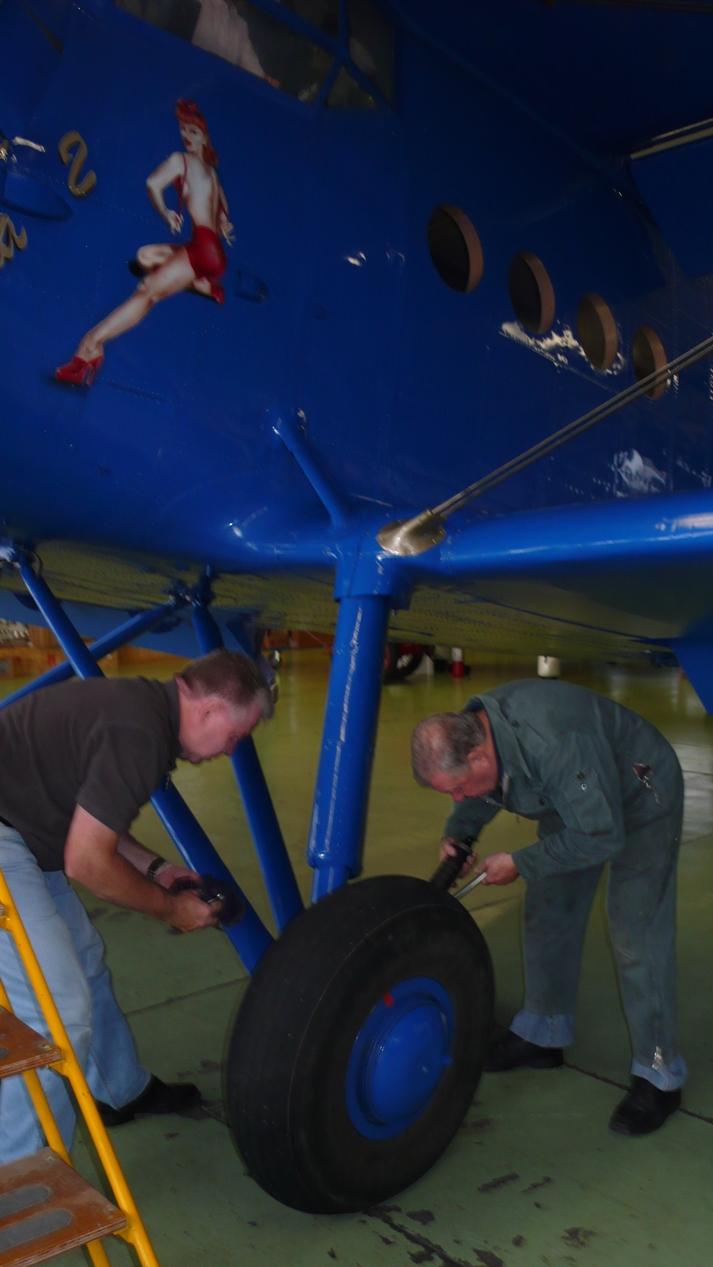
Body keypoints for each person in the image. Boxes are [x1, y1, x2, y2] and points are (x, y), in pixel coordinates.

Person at [0, 648, 271, 1164]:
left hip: (25, 833)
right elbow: (87, 862)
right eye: (236, 735)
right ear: (210, 710)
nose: (232, 749)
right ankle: (19, 1174)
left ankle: (119, 1090)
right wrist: (172, 910)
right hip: (8, 839)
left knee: (86, 963)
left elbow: (92, 814)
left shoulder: (145, 712)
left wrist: (157, 870)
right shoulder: (140, 732)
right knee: (56, 1011)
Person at [412, 678, 685, 1137]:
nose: (458, 797)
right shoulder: (475, 729)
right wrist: (460, 832)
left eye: (457, 789)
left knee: (636, 930)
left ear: (477, 758)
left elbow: (600, 835)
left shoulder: (553, 744)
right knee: (548, 909)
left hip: (641, 790)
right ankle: (543, 1033)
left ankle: (660, 1077)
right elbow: (487, 791)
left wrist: (521, 862)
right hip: (573, 796)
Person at [55, 99, 234, 387]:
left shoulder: (181, 160)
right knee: (147, 256)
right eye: (183, 129)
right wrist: (222, 224)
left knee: (146, 291)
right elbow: (222, 209)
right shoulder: (211, 173)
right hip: (212, 251)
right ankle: (203, 283)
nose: (186, 136)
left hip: (201, 249)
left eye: (194, 132)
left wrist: (165, 212)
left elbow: (153, 184)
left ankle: (90, 346)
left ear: (204, 137)